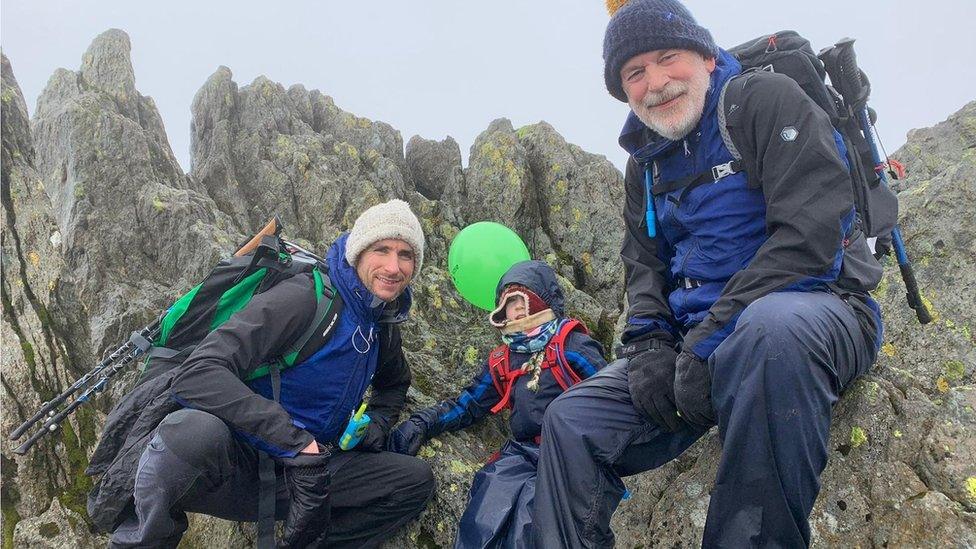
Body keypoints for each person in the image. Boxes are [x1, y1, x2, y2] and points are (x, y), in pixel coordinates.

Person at [531, 1, 884, 547]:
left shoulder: (764, 102)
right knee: (570, 420)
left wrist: (703, 344)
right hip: (700, 346)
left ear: (704, 55)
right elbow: (643, 264)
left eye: (667, 57)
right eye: (634, 73)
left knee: (771, 331)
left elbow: (809, 241)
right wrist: (649, 345)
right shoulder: (644, 163)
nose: (656, 83)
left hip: (818, 310)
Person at [91, 199, 436, 548]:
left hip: (306, 481)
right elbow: (197, 372)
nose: (394, 266)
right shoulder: (306, 299)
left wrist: (377, 422)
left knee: (413, 480)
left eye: (406, 255)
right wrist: (295, 443)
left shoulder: (382, 325)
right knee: (190, 433)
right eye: (382, 250)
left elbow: (393, 384)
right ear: (358, 252)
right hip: (235, 467)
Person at [388, 260, 607, 548]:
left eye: (519, 301)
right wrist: (424, 422)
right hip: (523, 451)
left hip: (571, 454)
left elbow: (612, 395)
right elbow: (468, 405)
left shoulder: (572, 347)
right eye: (506, 304)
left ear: (542, 300)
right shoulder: (503, 360)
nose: (513, 310)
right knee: (485, 507)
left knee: (533, 522)